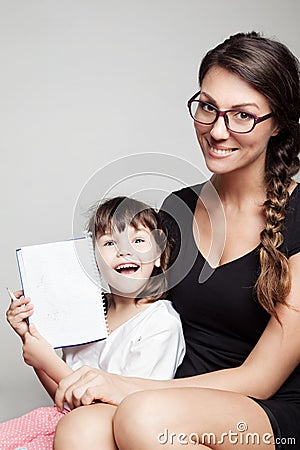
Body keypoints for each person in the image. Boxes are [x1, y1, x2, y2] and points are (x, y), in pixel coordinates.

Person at [53, 31, 300, 450]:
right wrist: (43, 333)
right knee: (81, 427)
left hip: (268, 412)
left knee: (144, 415)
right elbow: (133, 317)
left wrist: (126, 389)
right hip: (172, 398)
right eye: (208, 107)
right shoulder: (177, 209)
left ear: (277, 123)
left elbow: (261, 378)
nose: (218, 130)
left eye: (242, 115)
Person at [2, 196, 185, 450]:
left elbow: (129, 410)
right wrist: (30, 336)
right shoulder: (87, 315)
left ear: (158, 255)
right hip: (65, 424)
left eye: (138, 240)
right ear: (94, 260)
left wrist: (48, 360)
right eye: (110, 242)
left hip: (107, 437)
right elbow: (63, 398)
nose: (124, 250)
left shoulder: (160, 323)